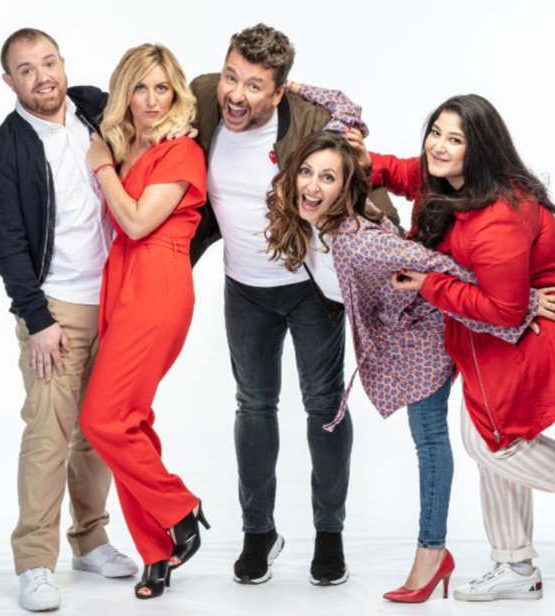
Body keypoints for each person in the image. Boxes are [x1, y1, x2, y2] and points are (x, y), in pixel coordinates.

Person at [264, 130, 555, 603]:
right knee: (467, 433)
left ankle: (433, 554)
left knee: (431, 441)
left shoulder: (360, 243)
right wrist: (299, 92)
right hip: (405, 333)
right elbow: (337, 110)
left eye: (327, 177)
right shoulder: (310, 220)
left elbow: (439, 266)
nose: (311, 185)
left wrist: (522, 302)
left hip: (423, 335)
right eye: (306, 172)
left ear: (345, 187)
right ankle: (486, 554)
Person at [355, 94, 555, 601]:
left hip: (541, 318)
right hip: (498, 317)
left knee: (491, 438)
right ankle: (515, 566)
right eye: (435, 132)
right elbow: (402, 171)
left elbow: (504, 309)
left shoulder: (497, 216)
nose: (438, 146)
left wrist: (430, 284)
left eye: (454, 139)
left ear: (478, 149)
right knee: (495, 434)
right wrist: (354, 157)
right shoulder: (446, 180)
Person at [188, 23, 398, 586]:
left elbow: (365, 186)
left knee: (323, 405)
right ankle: (258, 533)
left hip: (310, 287)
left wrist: (389, 247)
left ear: (279, 91)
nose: (236, 95)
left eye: (254, 86)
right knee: (254, 405)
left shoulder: (308, 120)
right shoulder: (204, 96)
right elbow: (149, 107)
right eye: (232, 77)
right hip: (244, 288)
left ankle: (329, 534)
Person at [0, 28, 138, 612]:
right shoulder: (1, 154)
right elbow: (7, 247)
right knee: (49, 435)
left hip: (114, 298)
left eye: (48, 62)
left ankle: (90, 541)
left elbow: (157, 109)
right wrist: (37, 319)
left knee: (97, 430)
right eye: (27, 69)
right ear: (9, 81)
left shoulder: (94, 107)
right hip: (56, 310)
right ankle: (35, 563)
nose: (42, 76)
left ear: (63, 63)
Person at [78, 43, 209, 600]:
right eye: (140, 87)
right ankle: (156, 551)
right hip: (120, 282)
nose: (152, 100)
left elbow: (135, 223)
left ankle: (180, 508)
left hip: (158, 283)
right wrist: (110, 152)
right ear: (124, 92)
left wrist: (102, 167)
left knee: (100, 420)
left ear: (176, 93)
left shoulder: (183, 151)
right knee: (129, 420)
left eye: (162, 88)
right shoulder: (125, 143)